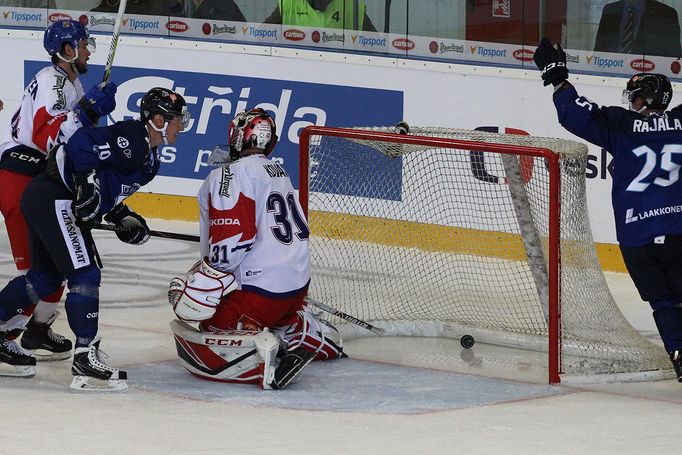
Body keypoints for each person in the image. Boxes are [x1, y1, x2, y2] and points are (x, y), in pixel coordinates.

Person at [0, 87, 189, 391]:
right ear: (157, 119)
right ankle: (85, 355)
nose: (182, 125)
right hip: (54, 196)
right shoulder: (135, 138)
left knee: (45, 279)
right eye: (177, 119)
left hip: (49, 198)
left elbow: (109, 192)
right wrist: (86, 181)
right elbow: (80, 142)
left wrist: (125, 218)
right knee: (85, 273)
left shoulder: (151, 160)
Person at [534, 37, 682, 381]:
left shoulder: (621, 126)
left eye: (636, 98)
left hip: (636, 238)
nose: (632, 103)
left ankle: (678, 352)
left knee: (663, 301)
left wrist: (558, 78)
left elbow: (573, 113)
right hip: (677, 231)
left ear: (645, 100)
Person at [168, 108, 344, 390]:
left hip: (258, 296)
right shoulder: (277, 170)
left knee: (206, 322)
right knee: (275, 313)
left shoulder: (229, 174)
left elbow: (230, 246)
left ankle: (264, 350)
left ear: (238, 137)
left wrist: (201, 282)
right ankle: (298, 328)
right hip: (296, 292)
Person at [0, 20, 117, 363]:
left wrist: (89, 111)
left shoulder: (68, 82)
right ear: (68, 50)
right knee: (36, 273)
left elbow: (72, 136)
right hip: (21, 180)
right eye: (83, 44)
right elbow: (47, 136)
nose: (88, 50)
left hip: (38, 181)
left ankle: (37, 329)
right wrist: (88, 109)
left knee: (58, 263)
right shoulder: (54, 84)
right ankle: (5, 332)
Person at [594, 0, 681, 58]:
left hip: (648, 79)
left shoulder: (665, 14)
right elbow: (598, 52)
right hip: (610, 76)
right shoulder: (610, 10)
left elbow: (673, 58)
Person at [264, 0, 376, 32]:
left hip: (340, 75)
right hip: (295, 72)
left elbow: (378, 50)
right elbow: (261, 37)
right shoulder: (288, 4)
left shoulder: (351, 6)